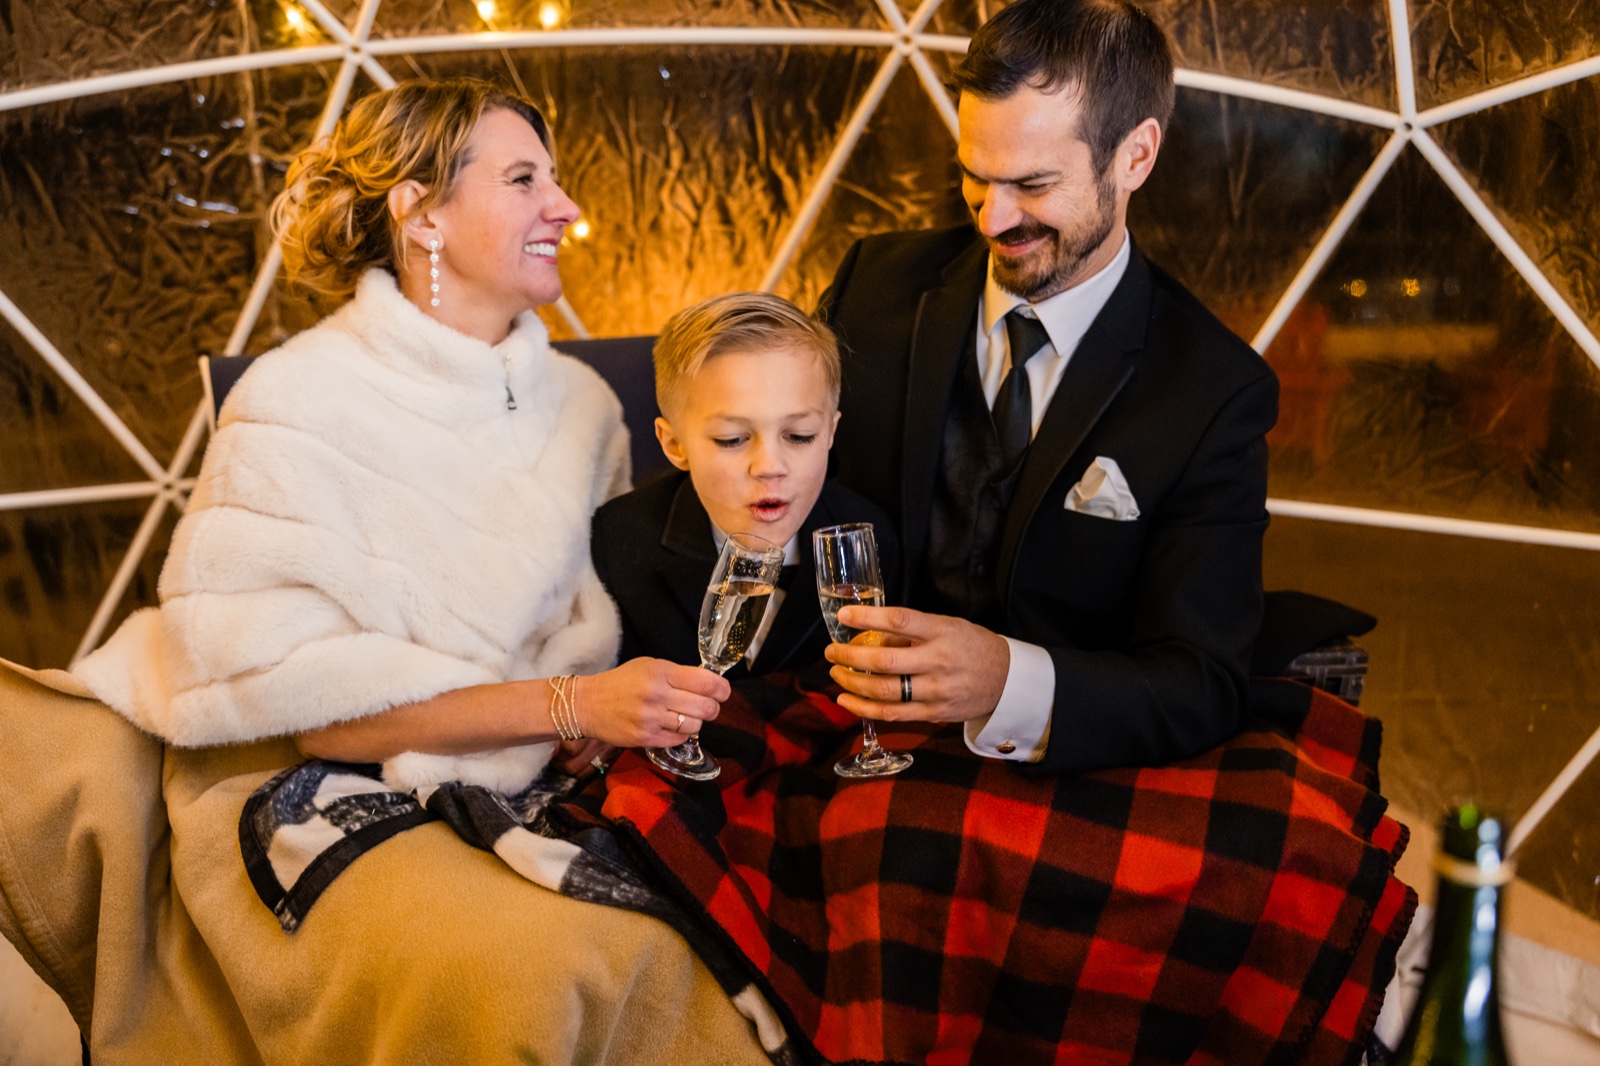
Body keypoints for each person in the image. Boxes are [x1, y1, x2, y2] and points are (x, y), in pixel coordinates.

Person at [70, 78, 729, 794]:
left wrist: (596, 725)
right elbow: (318, 714)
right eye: (522, 180)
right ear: (420, 216)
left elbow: (607, 623)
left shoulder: (584, 407)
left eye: (556, 180)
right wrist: (569, 706)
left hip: (553, 785)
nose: (565, 209)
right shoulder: (296, 404)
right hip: (327, 785)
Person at [817, 0, 1279, 771]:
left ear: (1136, 157)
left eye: (1032, 184)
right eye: (973, 176)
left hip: (1064, 772)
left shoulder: (1213, 390)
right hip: (849, 734)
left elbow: (1202, 684)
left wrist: (1007, 681)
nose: (992, 218)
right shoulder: (872, 287)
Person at [591, 292, 896, 676]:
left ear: (830, 432)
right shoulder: (616, 543)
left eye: (799, 435)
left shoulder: (876, 539)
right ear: (674, 444)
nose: (769, 467)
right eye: (732, 439)